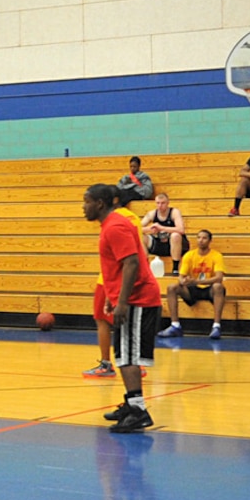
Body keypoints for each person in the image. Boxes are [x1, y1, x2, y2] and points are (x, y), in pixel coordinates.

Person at [84, 184, 162, 434]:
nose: (83, 207)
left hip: (138, 299)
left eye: (86, 201)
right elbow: (116, 267)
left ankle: (138, 411)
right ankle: (131, 403)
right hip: (130, 297)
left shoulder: (115, 226)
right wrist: (111, 295)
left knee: (129, 356)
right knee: (124, 353)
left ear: (99, 204)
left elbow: (131, 264)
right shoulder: (110, 224)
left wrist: (124, 301)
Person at [83, 204, 145, 379]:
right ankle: (136, 363)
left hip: (110, 278)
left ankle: (105, 364)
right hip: (130, 277)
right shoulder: (133, 218)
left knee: (101, 319)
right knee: (130, 322)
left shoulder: (113, 221)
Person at [160, 228, 225, 340]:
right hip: (193, 289)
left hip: (208, 289)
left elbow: (219, 277)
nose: (201, 240)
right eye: (199, 237)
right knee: (172, 287)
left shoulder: (216, 256)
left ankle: (216, 326)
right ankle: (175, 325)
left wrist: (198, 281)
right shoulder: (189, 255)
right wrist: (183, 281)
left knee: (218, 287)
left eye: (204, 238)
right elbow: (181, 275)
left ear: (210, 241)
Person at [140, 192, 187, 269]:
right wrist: (149, 229)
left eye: (163, 203)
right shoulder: (152, 213)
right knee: (140, 236)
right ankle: (145, 266)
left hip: (175, 245)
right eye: (158, 203)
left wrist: (162, 228)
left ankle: (175, 267)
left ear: (168, 203)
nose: (160, 206)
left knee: (175, 235)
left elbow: (181, 229)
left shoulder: (174, 212)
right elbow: (136, 228)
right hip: (159, 244)